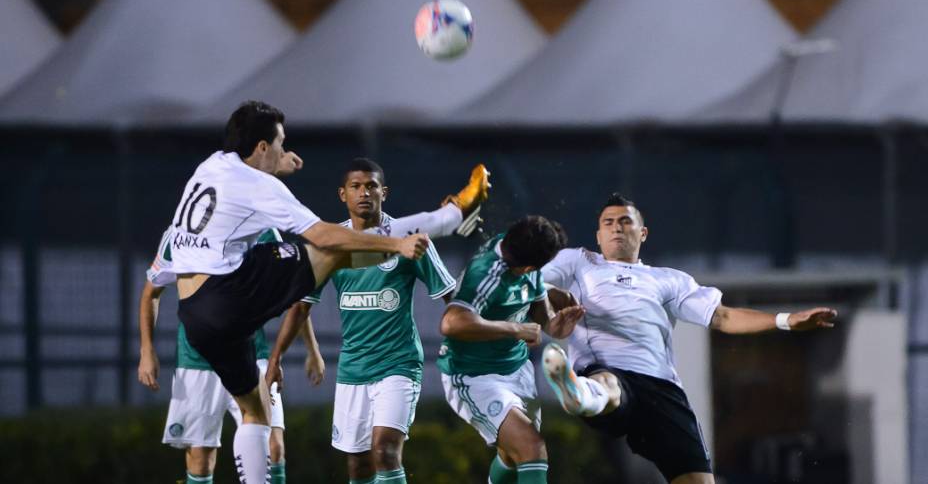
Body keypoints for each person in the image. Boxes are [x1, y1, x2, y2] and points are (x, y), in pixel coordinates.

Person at [164, 100, 429, 483]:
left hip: (193, 316)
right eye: (280, 143)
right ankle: (439, 221)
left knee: (256, 414)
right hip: (226, 297)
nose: (285, 150)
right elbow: (320, 233)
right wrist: (396, 246)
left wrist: (278, 164)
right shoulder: (258, 188)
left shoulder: (211, 165)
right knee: (325, 252)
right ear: (260, 147)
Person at [539, 193, 838, 484]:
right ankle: (577, 393)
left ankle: (581, 394)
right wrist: (545, 317)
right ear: (598, 235)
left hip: (662, 390)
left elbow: (722, 317)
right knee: (609, 386)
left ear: (643, 233)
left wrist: (785, 320)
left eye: (625, 221)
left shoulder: (669, 279)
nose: (617, 227)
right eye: (608, 222)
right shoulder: (580, 262)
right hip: (608, 372)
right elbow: (528, 282)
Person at [266, 157, 490, 484]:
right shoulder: (329, 244)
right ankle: (457, 210)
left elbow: (451, 298)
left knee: (384, 451)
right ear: (343, 194)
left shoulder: (411, 241)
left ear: (383, 192)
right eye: (356, 187)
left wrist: (482, 335)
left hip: (398, 365)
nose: (364, 193)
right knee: (359, 467)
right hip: (353, 368)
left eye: (371, 186)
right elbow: (301, 306)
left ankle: (459, 208)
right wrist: (277, 359)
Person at [139, 227, 314, 484]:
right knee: (200, 459)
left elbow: (294, 294)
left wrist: (312, 348)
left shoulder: (262, 231)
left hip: (252, 355)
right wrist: (146, 350)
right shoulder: (180, 232)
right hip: (197, 360)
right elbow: (151, 293)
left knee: (274, 448)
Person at [437, 216, 586, 484]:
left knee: (512, 457)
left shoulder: (523, 244)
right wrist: (516, 329)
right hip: (474, 377)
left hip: (517, 369)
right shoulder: (485, 275)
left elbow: (542, 317)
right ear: (526, 267)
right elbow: (451, 322)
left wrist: (555, 325)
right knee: (532, 448)